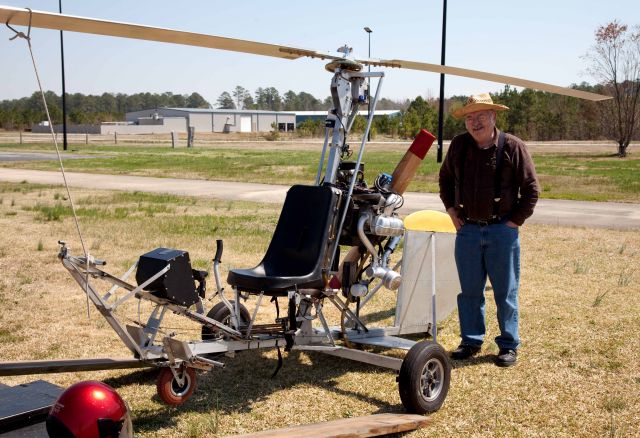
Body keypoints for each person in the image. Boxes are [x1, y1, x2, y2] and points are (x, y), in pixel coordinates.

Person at [439, 93, 539, 367]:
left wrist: (512, 223)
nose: (475, 122)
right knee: (469, 291)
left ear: (493, 117)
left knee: (505, 291)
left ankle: (508, 344)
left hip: (501, 232)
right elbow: (445, 180)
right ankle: (471, 340)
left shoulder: (513, 146)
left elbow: (531, 190)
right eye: (470, 117)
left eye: (481, 116)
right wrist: (451, 211)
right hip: (468, 231)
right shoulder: (459, 146)